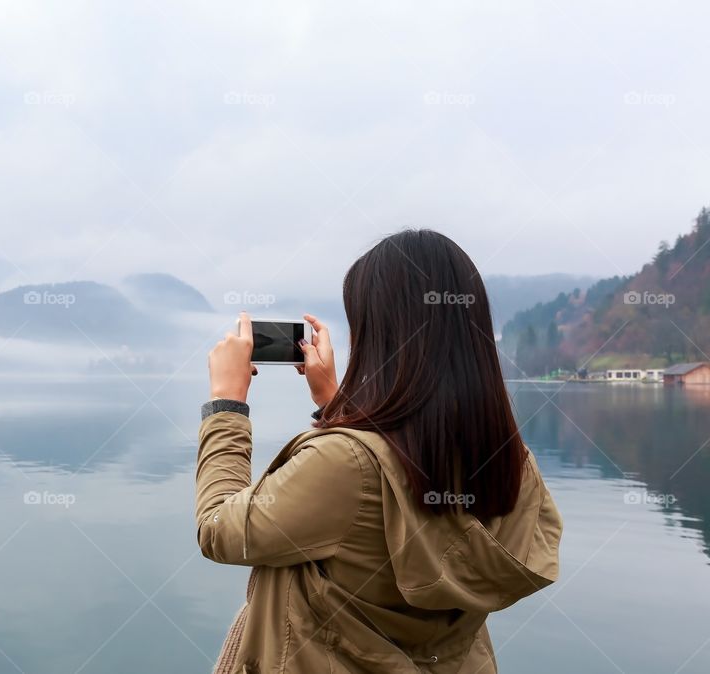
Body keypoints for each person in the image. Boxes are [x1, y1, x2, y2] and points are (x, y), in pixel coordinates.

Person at [196, 230, 563, 673]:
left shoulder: (344, 466)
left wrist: (227, 405)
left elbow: (218, 528)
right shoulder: (513, 465)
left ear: (378, 335)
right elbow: (402, 466)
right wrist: (336, 404)